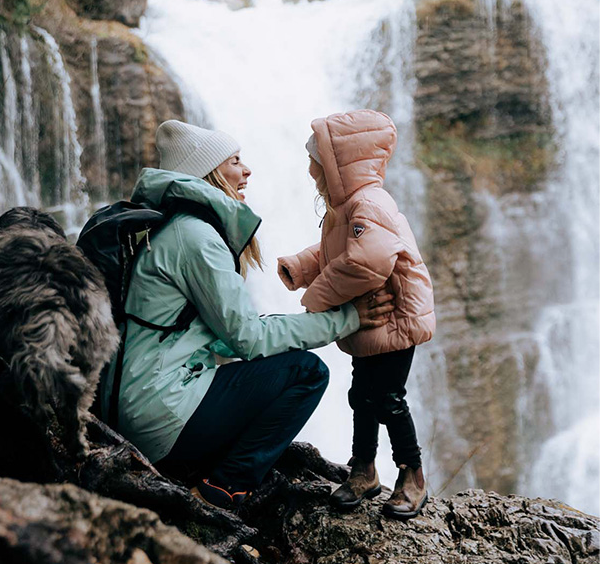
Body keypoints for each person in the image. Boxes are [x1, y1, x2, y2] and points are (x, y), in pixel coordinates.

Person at [100, 119, 395, 510]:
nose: (247, 170)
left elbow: (229, 335)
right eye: (234, 161)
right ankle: (224, 488)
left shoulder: (174, 228)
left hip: (140, 409)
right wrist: (347, 319)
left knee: (274, 365)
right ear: (208, 173)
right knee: (306, 372)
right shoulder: (196, 237)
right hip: (160, 416)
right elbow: (248, 339)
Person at [277, 109, 436, 520]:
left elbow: (369, 261)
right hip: (374, 325)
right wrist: (301, 266)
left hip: (396, 318)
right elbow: (339, 252)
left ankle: (413, 475)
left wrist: (317, 296)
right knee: (361, 398)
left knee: (387, 398)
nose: (311, 168)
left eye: (316, 160)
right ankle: (363, 470)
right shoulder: (346, 205)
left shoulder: (370, 202)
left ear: (338, 163)